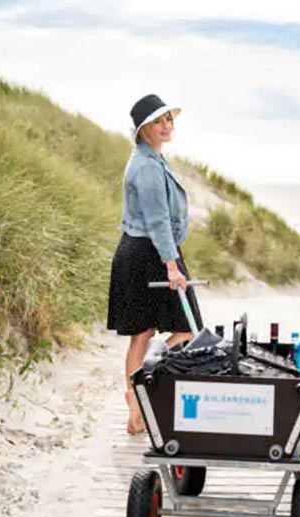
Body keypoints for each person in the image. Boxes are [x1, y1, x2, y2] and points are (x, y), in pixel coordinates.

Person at [107, 94, 203, 435]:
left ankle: (137, 405)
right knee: (172, 332)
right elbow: (158, 221)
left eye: (169, 121)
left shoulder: (153, 160)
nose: (166, 127)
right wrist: (172, 266)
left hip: (150, 252)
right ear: (143, 128)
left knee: (146, 334)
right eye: (159, 122)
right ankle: (138, 400)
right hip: (149, 254)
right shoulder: (146, 166)